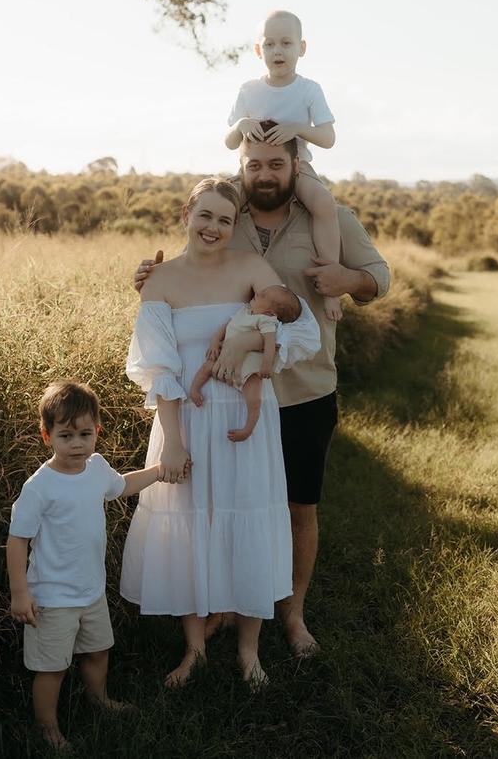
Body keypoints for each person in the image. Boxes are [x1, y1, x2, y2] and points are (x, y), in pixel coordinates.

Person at [135, 126, 390, 657]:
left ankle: (292, 616)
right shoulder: (233, 218)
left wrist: (348, 280)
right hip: (232, 395)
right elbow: (188, 281)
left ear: (296, 165)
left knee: (297, 507)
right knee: (223, 501)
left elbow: (377, 278)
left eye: (276, 165)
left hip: (305, 386)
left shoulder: (330, 218)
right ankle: (222, 605)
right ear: (242, 167)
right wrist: (151, 278)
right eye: (255, 166)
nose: (265, 175)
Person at [120, 178, 320, 689]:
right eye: (204, 215)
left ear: (236, 226)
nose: (213, 228)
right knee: (189, 521)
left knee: (249, 512)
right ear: (187, 213)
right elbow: (159, 367)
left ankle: (249, 651)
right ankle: (196, 649)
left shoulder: (251, 268)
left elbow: (300, 328)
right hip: (186, 416)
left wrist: (247, 347)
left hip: (244, 416)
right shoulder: (159, 279)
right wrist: (175, 439)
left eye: (225, 220)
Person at [7, 379, 171, 751]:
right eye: (66, 436)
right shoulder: (40, 487)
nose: (77, 443)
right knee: (53, 667)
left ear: (97, 431)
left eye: (85, 433)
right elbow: (17, 539)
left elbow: (121, 486)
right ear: (47, 436)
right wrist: (20, 591)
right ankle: (47, 727)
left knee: (99, 650)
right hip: (52, 597)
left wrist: (158, 471)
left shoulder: (96, 468)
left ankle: (98, 698)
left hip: (91, 590)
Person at [225, 9, 343, 322]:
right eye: (270, 44)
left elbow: (328, 138)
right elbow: (229, 142)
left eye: (286, 43)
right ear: (258, 50)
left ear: (301, 48)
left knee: (323, 202)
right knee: (215, 203)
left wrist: (297, 128)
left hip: (296, 165)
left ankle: (330, 285)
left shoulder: (308, 89)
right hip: (250, 170)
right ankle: (194, 272)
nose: (278, 51)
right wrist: (241, 124)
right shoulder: (248, 90)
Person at [189, 284, 301, 442]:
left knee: (254, 400)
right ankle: (195, 389)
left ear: (271, 312)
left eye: (264, 296)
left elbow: (270, 344)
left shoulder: (266, 320)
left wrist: (266, 365)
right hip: (225, 359)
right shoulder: (244, 311)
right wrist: (215, 342)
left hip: (250, 370)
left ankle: (248, 429)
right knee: (207, 366)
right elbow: (225, 327)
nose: (259, 293)